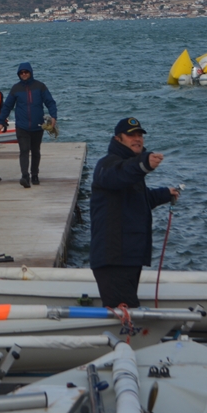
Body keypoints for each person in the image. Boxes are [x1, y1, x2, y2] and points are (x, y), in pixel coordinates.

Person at [87, 118, 180, 309]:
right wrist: (144, 165)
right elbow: (120, 175)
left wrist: (164, 194)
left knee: (127, 308)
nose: (137, 139)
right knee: (123, 311)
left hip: (128, 256)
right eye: (131, 135)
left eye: (140, 135)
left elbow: (138, 199)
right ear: (118, 139)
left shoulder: (130, 168)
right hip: (113, 258)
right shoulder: (108, 165)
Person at [0, 62, 57, 188]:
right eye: (21, 73)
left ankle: (35, 174)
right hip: (22, 126)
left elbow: (50, 102)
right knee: (24, 150)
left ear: (30, 73)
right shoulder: (16, 88)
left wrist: (53, 116)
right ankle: (25, 176)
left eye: (26, 72)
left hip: (37, 126)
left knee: (35, 151)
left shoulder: (40, 86)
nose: (24, 74)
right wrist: (1, 121)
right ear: (19, 74)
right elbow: (7, 106)